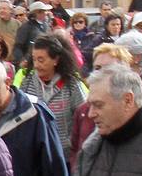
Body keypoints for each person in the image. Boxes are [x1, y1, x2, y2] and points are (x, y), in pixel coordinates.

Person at [16, 34, 88, 168]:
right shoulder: (27, 84)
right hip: (35, 157)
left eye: (41, 60)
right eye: (34, 60)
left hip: (65, 157)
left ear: (56, 60)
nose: (36, 65)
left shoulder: (72, 86)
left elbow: (84, 118)